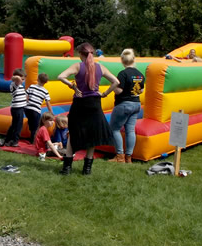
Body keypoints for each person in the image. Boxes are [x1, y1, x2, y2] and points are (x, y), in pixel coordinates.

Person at [57, 42, 119, 175]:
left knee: (73, 133)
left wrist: (72, 86)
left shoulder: (77, 66)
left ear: (81, 54)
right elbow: (116, 82)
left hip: (79, 103)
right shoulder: (100, 67)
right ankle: (87, 169)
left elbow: (61, 76)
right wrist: (105, 94)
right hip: (94, 104)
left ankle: (67, 168)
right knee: (93, 134)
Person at [108, 49, 145, 164]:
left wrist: (113, 86)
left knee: (114, 129)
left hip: (123, 104)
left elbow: (119, 91)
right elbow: (141, 90)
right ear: (134, 59)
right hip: (136, 104)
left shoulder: (123, 74)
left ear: (122, 61)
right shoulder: (140, 74)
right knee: (130, 131)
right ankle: (129, 157)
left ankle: (120, 156)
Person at [25, 73, 54, 144]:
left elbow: (26, 96)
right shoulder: (45, 91)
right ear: (46, 82)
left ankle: (31, 135)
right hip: (36, 110)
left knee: (31, 122)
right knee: (37, 126)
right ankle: (33, 140)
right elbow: (48, 102)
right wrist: (51, 112)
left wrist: (26, 103)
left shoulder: (32, 86)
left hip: (27, 109)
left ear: (37, 79)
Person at [1, 68, 27, 147]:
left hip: (20, 108)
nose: (22, 81)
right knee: (18, 126)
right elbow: (17, 79)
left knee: (14, 125)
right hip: (17, 108)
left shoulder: (20, 86)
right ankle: (14, 141)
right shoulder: (15, 84)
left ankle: (8, 139)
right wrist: (17, 77)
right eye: (21, 79)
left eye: (23, 79)